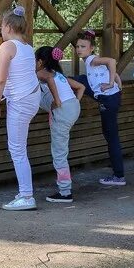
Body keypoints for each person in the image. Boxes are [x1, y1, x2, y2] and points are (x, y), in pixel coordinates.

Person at [0, 7, 43, 211]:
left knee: (17, 149)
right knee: (19, 148)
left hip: (20, 102)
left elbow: (0, 79)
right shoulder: (27, 46)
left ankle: (27, 196)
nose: (1, 30)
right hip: (32, 98)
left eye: (2, 26)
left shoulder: (7, 46)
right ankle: (24, 192)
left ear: (9, 27)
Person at [72, 30, 126, 186]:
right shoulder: (91, 61)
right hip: (111, 97)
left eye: (83, 46)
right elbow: (109, 68)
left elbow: (112, 62)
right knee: (80, 79)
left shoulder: (92, 60)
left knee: (111, 137)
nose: (79, 49)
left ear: (92, 48)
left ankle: (118, 175)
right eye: (77, 46)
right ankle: (117, 169)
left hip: (108, 99)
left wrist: (110, 83)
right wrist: (117, 80)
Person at [36, 45, 86, 204]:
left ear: (40, 61)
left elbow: (48, 80)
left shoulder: (42, 73)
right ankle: (64, 189)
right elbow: (81, 87)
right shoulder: (59, 75)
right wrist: (72, 103)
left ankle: (65, 192)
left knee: (59, 153)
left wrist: (57, 102)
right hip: (73, 107)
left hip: (62, 111)